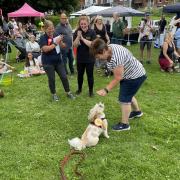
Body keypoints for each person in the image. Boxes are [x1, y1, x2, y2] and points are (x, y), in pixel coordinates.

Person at [91, 38, 147, 131]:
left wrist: (106, 90)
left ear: (104, 50)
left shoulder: (116, 58)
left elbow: (118, 77)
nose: (98, 58)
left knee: (124, 98)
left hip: (135, 76)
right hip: (130, 74)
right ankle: (137, 112)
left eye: (98, 56)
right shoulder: (109, 49)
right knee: (129, 94)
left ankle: (125, 124)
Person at [39, 20, 75, 101]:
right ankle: (54, 94)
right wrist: (55, 43)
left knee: (64, 77)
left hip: (58, 61)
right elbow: (45, 49)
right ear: (45, 29)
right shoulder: (43, 37)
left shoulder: (56, 34)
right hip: (48, 62)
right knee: (52, 79)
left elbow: (62, 46)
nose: (51, 31)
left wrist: (61, 42)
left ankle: (68, 92)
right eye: (49, 29)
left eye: (52, 28)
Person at [73, 15, 96, 97]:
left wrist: (82, 38)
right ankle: (79, 89)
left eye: (84, 24)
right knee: (80, 75)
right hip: (80, 58)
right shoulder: (77, 32)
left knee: (90, 75)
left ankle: (91, 91)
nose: (83, 25)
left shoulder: (92, 32)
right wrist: (78, 36)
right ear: (79, 24)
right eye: (81, 24)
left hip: (90, 58)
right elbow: (75, 45)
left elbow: (92, 45)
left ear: (88, 23)